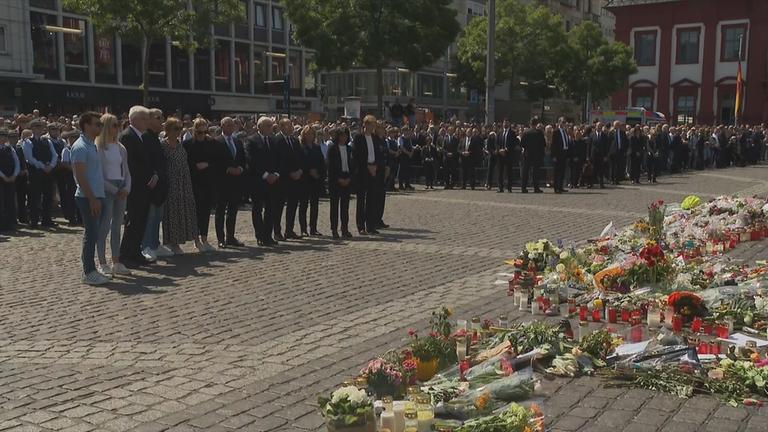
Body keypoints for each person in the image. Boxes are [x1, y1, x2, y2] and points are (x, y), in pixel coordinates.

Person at [71, 112, 109, 285]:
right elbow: (80, 177)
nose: (100, 127)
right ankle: (88, 271)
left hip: (96, 195)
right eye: (96, 124)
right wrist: (92, 198)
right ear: (86, 125)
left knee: (95, 234)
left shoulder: (92, 145)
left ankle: (91, 269)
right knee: (91, 234)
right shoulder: (80, 147)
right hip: (87, 197)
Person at [95, 114, 132, 276]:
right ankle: (102, 262)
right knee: (104, 226)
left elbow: (126, 171)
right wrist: (113, 189)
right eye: (114, 125)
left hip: (121, 187)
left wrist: (127, 187)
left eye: (118, 125)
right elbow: (98, 174)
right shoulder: (99, 147)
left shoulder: (120, 147)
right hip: (107, 189)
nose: (117, 128)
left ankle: (116, 261)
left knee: (117, 226)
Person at [120, 106, 155, 268]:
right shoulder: (127, 136)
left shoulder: (142, 136)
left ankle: (135, 252)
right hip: (135, 187)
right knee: (133, 222)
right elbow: (130, 165)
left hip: (145, 187)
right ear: (134, 119)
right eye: (144, 119)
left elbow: (148, 161)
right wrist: (146, 177)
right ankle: (126, 255)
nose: (147, 122)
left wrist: (153, 175)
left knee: (141, 221)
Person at [160, 117, 198, 254]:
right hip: (171, 183)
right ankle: (173, 242)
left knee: (185, 210)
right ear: (168, 129)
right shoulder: (163, 146)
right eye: (176, 129)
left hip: (184, 183)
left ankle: (187, 238)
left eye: (180, 129)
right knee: (172, 213)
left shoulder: (181, 144)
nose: (178, 132)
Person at [183, 118, 217, 252]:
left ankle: (204, 238)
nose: (202, 135)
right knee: (195, 211)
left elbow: (217, 161)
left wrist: (207, 164)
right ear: (194, 131)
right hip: (193, 181)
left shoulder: (212, 143)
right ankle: (196, 239)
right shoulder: (187, 144)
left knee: (205, 211)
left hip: (207, 181)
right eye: (199, 132)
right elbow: (185, 163)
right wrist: (195, 166)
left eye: (204, 132)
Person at [141, 108, 171, 261]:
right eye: (158, 118)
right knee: (150, 217)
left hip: (161, 184)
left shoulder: (156, 137)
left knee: (158, 216)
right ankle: (146, 246)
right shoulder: (145, 137)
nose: (161, 120)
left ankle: (155, 243)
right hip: (151, 183)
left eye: (162, 117)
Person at [245, 116, 279, 246]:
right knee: (257, 209)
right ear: (260, 127)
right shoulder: (252, 140)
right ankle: (260, 235)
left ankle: (268, 235)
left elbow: (279, 159)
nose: (270, 128)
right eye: (268, 126)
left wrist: (275, 174)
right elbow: (251, 160)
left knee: (271, 209)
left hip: (273, 180)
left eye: (271, 126)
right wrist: (265, 175)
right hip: (258, 181)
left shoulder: (273, 140)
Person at [214, 117, 246, 248]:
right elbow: (215, 161)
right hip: (223, 181)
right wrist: (227, 169)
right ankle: (220, 238)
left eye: (232, 125)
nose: (230, 127)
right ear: (222, 126)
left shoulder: (237, 141)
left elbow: (243, 159)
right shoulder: (217, 141)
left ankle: (230, 237)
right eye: (227, 125)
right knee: (220, 210)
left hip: (236, 182)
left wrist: (240, 169)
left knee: (233, 210)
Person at [23, 119, 58, 228]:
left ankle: (46, 219)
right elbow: (29, 158)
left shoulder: (47, 141)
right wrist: (43, 166)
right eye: (36, 127)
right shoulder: (28, 142)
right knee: (35, 197)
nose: (39, 129)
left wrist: (51, 165)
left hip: (48, 172)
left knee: (48, 196)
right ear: (32, 129)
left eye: (40, 127)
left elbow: (55, 155)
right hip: (35, 172)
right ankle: (34, 221)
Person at [352, 115, 383, 235]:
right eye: (370, 125)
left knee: (372, 199)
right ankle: (360, 226)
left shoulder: (375, 138)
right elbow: (357, 155)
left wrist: (375, 166)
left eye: (374, 125)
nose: (372, 127)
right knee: (361, 200)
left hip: (374, 170)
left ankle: (370, 225)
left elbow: (378, 154)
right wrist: (367, 166)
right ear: (365, 125)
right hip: (362, 171)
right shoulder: (358, 138)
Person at [276, 118, 305, 240]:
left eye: (291, 125)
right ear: (281, 127)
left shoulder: (294, 140)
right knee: (278, 206)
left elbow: (301, 157)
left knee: (293, 205)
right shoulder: (277, 140)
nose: (291, 127)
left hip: (295, 179)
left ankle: (289, 230)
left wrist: (300, 170)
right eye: (288, 125)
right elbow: (278, 160)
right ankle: (277, 231)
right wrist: (289, 173)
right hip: (283, 179)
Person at [327, 127, 353, 239]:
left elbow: (352, 165)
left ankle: (344, 228)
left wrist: (349, 178)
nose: (344, 137)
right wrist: (338, 178)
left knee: (345, 207)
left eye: (345, 135)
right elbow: (330, 166)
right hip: (335, 180)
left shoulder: (349, 149)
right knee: (334, 206)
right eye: (341, 135)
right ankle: (334, 229)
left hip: (347, 177)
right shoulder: (332, 148)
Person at [298, 125, 325, 236]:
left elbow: (321, 162)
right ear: (304, 135)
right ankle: (303, 229)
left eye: (312, 134)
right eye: (308, 134)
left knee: (315, 205)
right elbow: (300, 162)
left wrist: (318, 173)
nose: (310, 136)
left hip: (315, 180)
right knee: (303, 205)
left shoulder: (316, 147)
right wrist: (309, 170)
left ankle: (313, 228)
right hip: (304, 179)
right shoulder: (301, 147)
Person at [0, 128, 20, 231]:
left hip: (11, 178)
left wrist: (14, 175)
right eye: (1, 136)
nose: (3, 138)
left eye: (5, 136)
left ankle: (10, 223)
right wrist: (3, 176)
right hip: (1, 179)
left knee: (10, 202)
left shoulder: (10, 148)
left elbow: (16, 162)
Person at [520, 117, 545, 194]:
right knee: (535, 172)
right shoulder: (539, 132)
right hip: (536, 154)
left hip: (527, 154)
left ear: (530, 124)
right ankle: (536, 188)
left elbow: (522, 144)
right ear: (536, 124)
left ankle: (523, 187)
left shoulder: (525, 132)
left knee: (525, 171)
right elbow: (543, 144)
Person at [498, 121, 519, 192]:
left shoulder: (512, 133)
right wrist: (500, 150)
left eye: (507, 123)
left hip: (509, 155)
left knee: (509, 171)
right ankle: (500, 187)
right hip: (500, 155)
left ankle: (509, 187)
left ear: (509, 124)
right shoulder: (500, 132)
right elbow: (497, 142)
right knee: (500, 171)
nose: (505, 124)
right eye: (504, 123)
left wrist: (506, 150)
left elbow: (513, 143)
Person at [13, 129, 29, 224]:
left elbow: (23, 160)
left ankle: (22, 217)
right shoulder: (7, 149)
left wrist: (24, 170)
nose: (13, 139)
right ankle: (13, 218)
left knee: (22, 198)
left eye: (15, 137)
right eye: (11, 137)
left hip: (21, 176)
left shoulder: (19, 148)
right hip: (11, 176)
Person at [551, 117, 570, 194]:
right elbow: (553, 144)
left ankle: (560, 187)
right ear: (559, 122)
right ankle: (556, 188)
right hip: (558, 154)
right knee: (557, 172)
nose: (564, 123)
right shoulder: (556, 131)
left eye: (565, 122)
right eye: (562, 122)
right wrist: (554, 156)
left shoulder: (565, 131)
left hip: (564, 153)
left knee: (562, 171)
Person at [608, 121, 628, 185]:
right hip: (613, 152)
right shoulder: (611, 132)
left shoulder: (622, 133)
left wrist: (625, 150)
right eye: (615, 125)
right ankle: (611, 179)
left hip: (620, 152)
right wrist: (609, 152)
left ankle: (617, 180)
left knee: (619, 166)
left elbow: (625, 142)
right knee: (612, 166)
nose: (616, 126)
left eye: (617, 125)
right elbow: (608, 143)